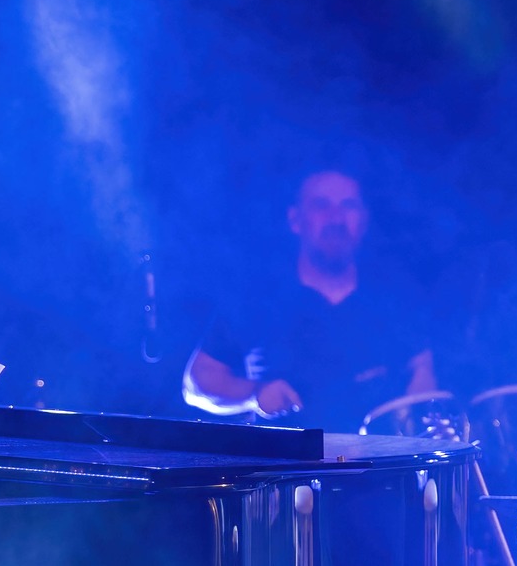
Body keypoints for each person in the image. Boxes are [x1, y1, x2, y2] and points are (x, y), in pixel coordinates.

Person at [184, 168, 435, 431]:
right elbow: (197, 384)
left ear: (364, 220)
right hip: (289, 456)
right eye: (321, 205)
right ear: (296, 220)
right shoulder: (256, 298)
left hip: (379, 454)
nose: (336, 218)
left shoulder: (393, 294)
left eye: (348, 205)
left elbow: (422, 369)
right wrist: (254, 395)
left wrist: (415, 420)